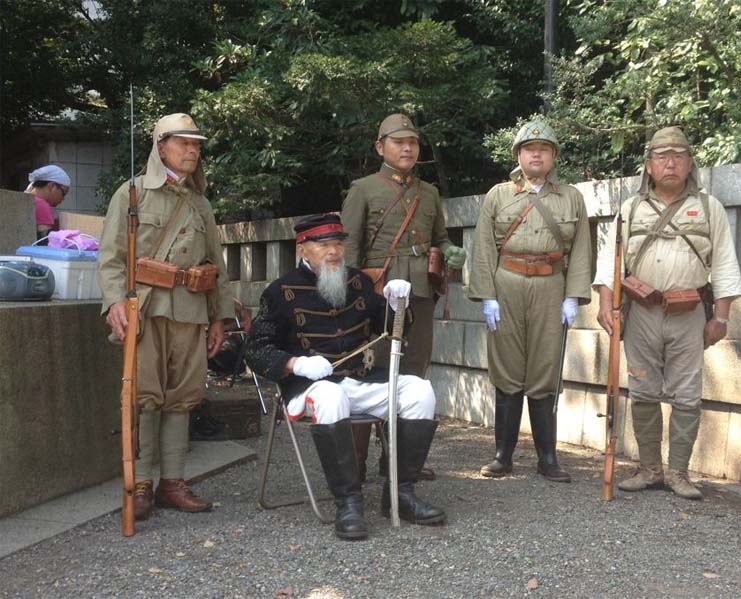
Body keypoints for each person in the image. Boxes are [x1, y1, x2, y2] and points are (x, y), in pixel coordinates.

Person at [244, 213, 445, 541]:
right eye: (323, 245)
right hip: (310, 388)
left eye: (338, 243)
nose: (334, 251)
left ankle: (401, 495)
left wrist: (398, 304)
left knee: (421, 390)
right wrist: (296, 363)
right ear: (303, 249)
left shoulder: (359, 283)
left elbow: (392, 329)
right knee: (330, 395)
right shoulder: (279, 291)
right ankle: (348, 503)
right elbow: (254, 350)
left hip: (363, 379)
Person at [594, 126, 741, 500]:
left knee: (688, 393)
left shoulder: (710, 208)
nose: (670, 163)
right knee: (643, 388)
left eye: (678, 155)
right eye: (662, 156)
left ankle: (679, 473)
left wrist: (720, 318)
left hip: (689, 312)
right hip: (641, 311)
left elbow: (724, 264)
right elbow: (609, 264)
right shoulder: (630, 209)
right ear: (649, 165)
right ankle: (649, 469)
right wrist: (604, 305)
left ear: (690, 162)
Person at [98, 113, 235, 520]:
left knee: (184, 396)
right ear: (161, 146)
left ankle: (172, 483)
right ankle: (139, 484)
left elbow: (217, 267)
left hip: (191, 310)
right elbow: (111, 258)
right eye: (183, 143)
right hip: (146, 307)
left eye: (196, 145)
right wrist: (113, 304)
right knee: (143, 396)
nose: (192, 150)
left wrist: (219, 319)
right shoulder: (133, 194)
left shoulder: (200, 203)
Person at [340, 113, 466, 480]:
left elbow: (439, 237)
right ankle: (356, 461)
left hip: (420, 294)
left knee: (413, 374)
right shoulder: (362, 189)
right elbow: (349, 245)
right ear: (380, 147)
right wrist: (351, 296)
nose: (408, 148)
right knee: (369, 373)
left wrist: (451, 251)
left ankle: (400, 462)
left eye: (412, 142)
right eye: (399, 142)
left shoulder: (429, 193)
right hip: (376, 294)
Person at [468, 117, 592, 482]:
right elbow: (483, 247)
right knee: (506, 368)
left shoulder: (571, 197)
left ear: (553, 156)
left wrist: (574, 296)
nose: (536, 154)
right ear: (518, 155)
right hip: (506, 282)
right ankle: (502, 455)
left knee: (544, 369)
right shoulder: (498, 195)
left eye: (543, 149)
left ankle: (547, 458)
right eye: (529, 149)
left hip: (551, 285)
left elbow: (581, 250)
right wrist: (486, 296)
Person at [25, 164, 70, 241]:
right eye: (63, 193)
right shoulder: (41, 205)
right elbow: (45, 241)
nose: (63, 199)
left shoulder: (26, 200)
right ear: (51, 186)